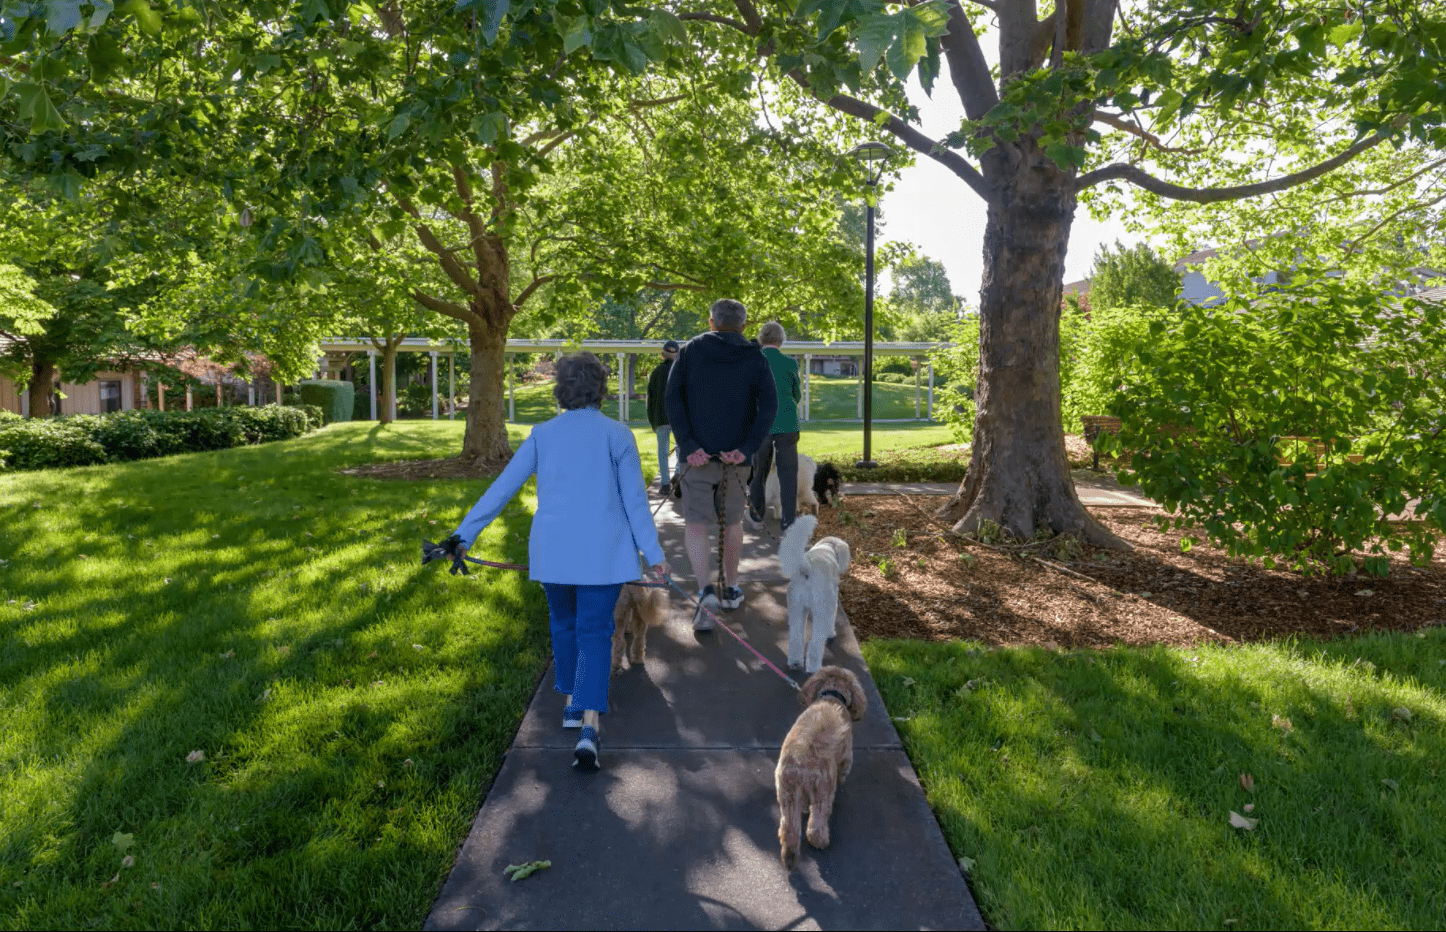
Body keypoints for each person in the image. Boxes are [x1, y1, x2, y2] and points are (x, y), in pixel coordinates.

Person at [450, 352, 668, 773]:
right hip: (604, 556)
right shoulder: (618, 435)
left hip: (553, 553)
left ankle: (572, 701)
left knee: (564, 625)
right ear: (601, 390)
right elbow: (636, 504)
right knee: (595, 632)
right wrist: (654, 557)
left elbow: (502, 488)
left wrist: (463, 535)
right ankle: (589, 728)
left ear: (561, 391)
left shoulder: (542, 434)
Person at [665, 298, 777, 629]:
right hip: (736, 459)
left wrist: (688, 444)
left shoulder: (689, 350)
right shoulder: (755, 355)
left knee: (696, 524)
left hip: (696, 457)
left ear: (712, 321)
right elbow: (769, 405)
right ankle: (730, 587)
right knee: (732, 523)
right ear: (743, 325)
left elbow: (673, 398)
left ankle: (704, 591)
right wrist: (747, 447)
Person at [747, 321, 802, 534]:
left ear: (762, 339)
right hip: (787, 423)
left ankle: (756, 515)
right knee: (788, 473)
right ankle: (788, 521)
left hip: (761, 424)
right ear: (781, 340)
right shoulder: (790, 363)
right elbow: (795, 394)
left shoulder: (754, 361)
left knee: (759, 471)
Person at [646, 340, 680, 491]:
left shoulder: (656, 372)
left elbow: (650, 399)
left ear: (662, 355)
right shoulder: (682, 371)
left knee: (662, 452)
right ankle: (678, 474)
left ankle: (665, 483)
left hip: (660, 418)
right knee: (681, 449)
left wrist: (652, 421)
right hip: (679, 419)